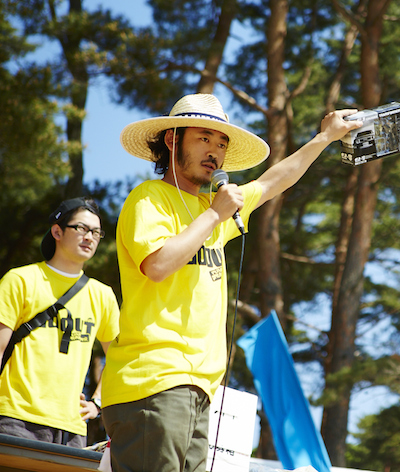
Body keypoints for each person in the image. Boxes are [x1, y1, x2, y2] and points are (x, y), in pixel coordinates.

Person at [101, 93, 362, 472]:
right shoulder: (149, 198)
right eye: (204, 137)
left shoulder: (215, 208)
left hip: (198, 390)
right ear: (172, 140)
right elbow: (157, 265)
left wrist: (324, 138)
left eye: (222, 143)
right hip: (153, 382)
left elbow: (275, 180)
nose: (215, 151)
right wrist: (214, 216)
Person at [0, 197, 120, 448]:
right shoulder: (21, 280)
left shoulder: (103, 295)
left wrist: (98, 402)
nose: (89, 237)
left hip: (72, 428)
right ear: (57, 231)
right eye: (82, 228)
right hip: (15, 418)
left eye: (96, 232)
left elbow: (120, 358)